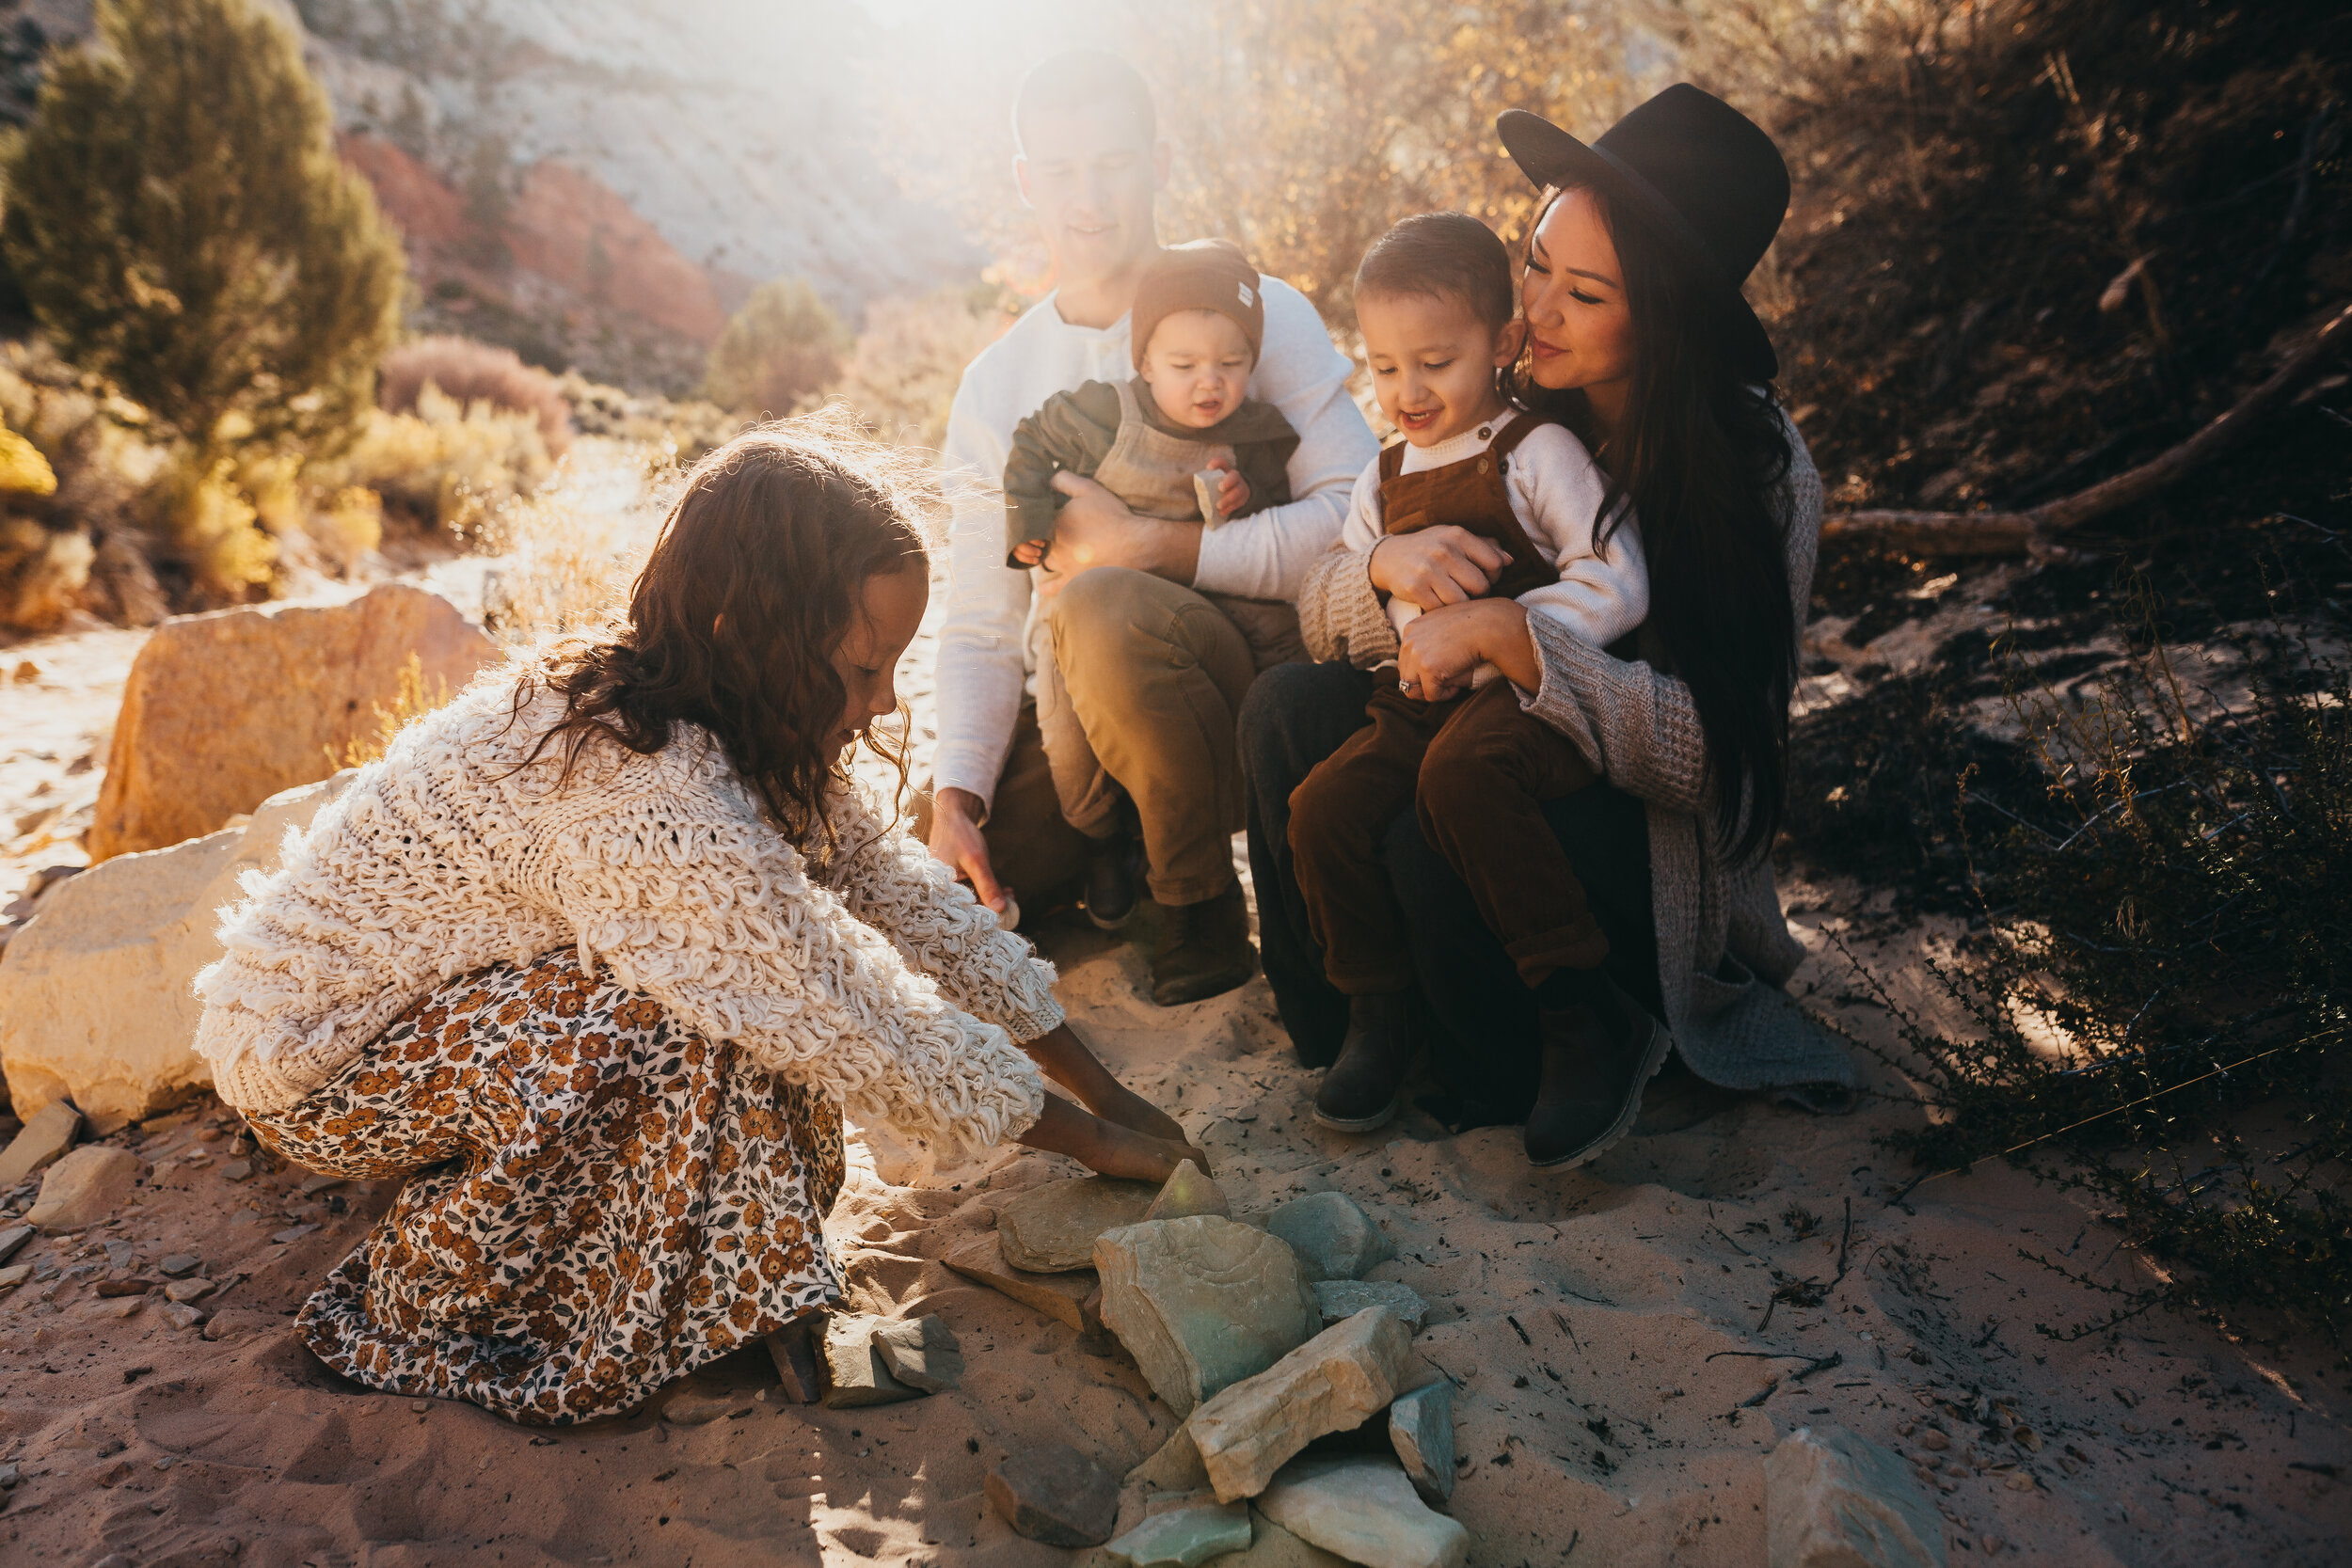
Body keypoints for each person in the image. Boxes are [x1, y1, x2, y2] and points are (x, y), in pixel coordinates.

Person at [192, 425, 1207, 1426]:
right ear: (747, 632)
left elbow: (900, 895)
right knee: (693, 1011)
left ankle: (747, 1298)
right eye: (861, 669)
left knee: (725, 988)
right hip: (317, 1057)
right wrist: (1094, 1143)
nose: (885, 700)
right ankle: (434, 1296)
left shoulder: (721, 711)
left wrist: (1104, 1086)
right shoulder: (635, 786)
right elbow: (846, 1008)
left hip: (453, 1008)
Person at [1243, 84, 1855, 1171]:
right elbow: (1320, 609)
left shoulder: (1754, 475)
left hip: (1628, 826)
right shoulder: (1496, 394)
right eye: (1534, 263)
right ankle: (1363, 1030)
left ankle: (1542, 1046)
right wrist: (1384, 566)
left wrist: (1523, 643)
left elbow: (1720, 761)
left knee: (1443, 807)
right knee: (1288, 712)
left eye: (1582, 291)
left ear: (1666, 312)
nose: (1539, 311)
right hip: (1468, 724)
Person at [928, 48, 1377, 1006]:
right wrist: (956, 790)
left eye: (1114, 163)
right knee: (950, 878)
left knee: (1100, 601)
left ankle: (1200, 904)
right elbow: (976, 619)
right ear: (1025, 183)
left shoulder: (1257, 315)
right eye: (1060, 171)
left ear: (1160, 162)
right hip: (1078, 719)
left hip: (1248, 683)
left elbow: (1356, 519)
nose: (1088, 197)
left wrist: (1155, 546)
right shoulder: (997, 383)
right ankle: (1112, 852)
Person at [1285, 213, 1648, 1136]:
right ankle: (1378, 1006)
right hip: (1419, 696)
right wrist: (1408, 618)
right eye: (1385, 365)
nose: (1406, 389)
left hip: (1532, 692)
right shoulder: (1382, 474)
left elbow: (1615, 581)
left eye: (1434, 362)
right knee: (1321, 806)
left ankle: (1579, 1006)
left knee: (1462, 779)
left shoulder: (1537, 451)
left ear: (1500, 342)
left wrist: (1500, 635)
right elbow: (1363, 580)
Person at [1000, 239, 1304, 920]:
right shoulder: (1103, 411)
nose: (1209, 383)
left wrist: (1242, 493)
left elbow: (1277, 511)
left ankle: (1178, 860)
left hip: (1183, 634)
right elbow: (1030, 445)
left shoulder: (1254, 434)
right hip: (1069, 621)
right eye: (1184, 365)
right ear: (1143, 360)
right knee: (1071, 762)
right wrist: (1030, 527)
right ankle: (1104, 841)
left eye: (1232, 364)